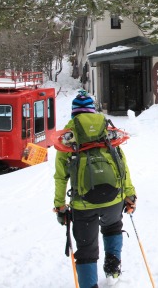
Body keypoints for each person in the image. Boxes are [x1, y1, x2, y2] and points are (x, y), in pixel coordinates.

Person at [53, 90, 136, 288]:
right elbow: (122, 165)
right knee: (112, 228)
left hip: (83, 204)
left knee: (86, 248)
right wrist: (129, 194)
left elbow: (61, 176)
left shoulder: (68, 137)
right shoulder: (107, 131)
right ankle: (113, 270)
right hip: (114, 198)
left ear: (74, 113)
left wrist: (59, 205)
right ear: (92, 110)